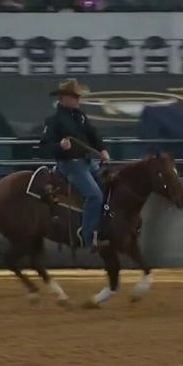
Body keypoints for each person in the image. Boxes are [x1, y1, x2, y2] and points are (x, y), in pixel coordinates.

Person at [41, 78, 111, 251]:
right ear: (65, 98)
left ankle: (104, 227)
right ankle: (87, 237)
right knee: (94, 196)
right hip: (71, 164)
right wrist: (61, 146)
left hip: (87, 161)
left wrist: (102, 149)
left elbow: (92, 134)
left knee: (110, 186)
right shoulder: (54, 120)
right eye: (75, 96)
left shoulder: (80, 116)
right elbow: (45, 145)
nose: (78, 100)